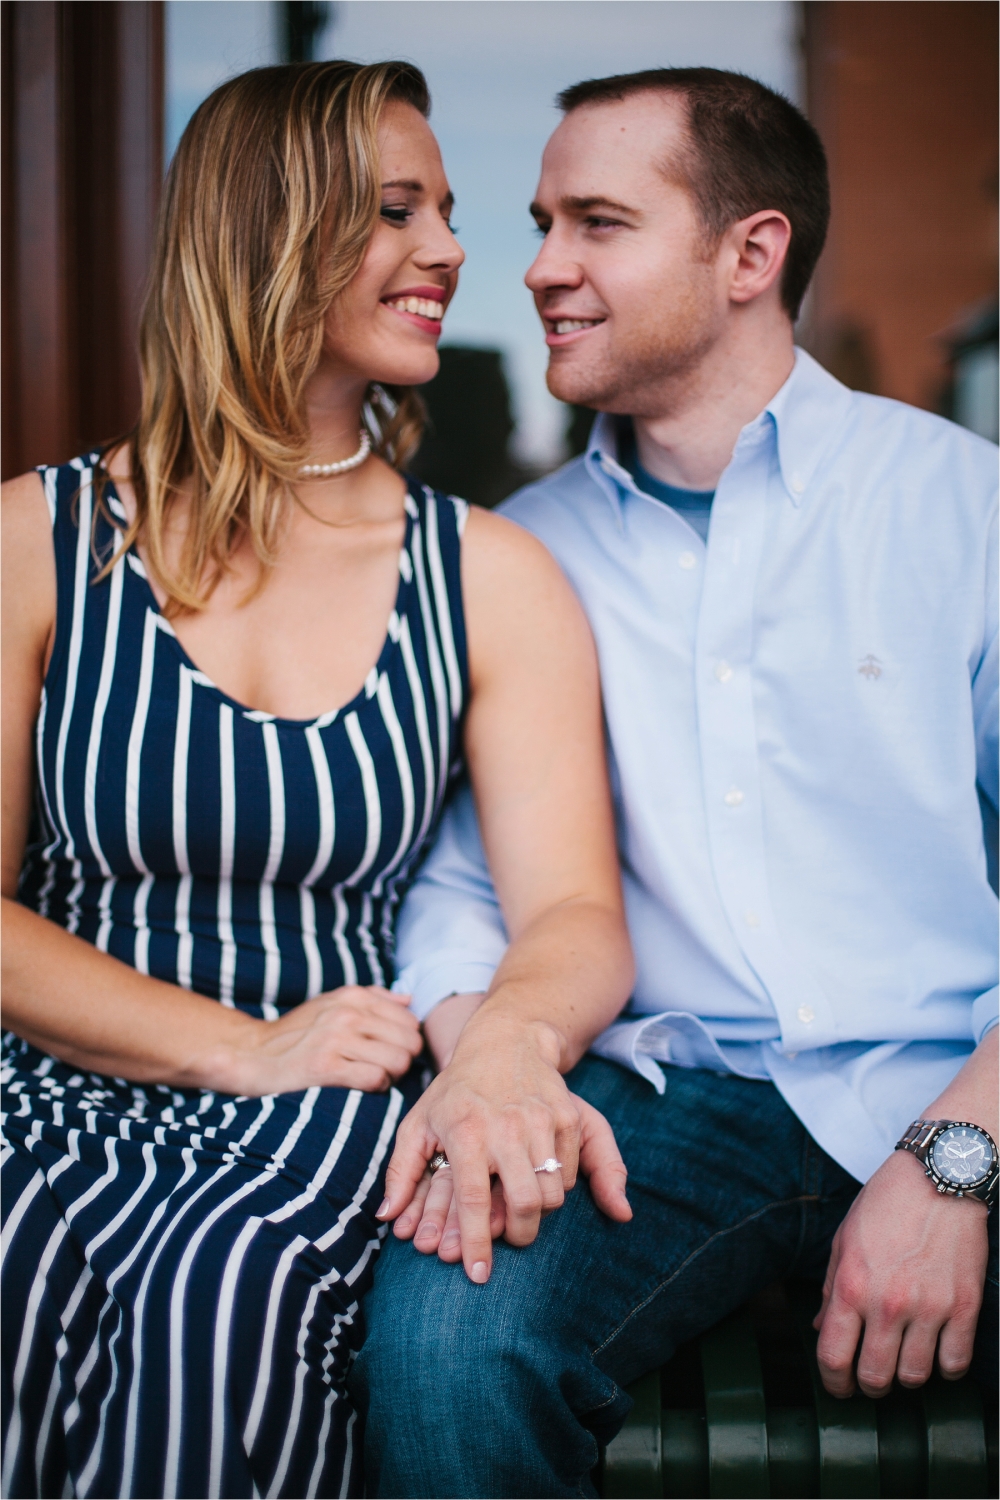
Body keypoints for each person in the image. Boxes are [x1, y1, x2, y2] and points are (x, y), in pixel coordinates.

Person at [352, 67, 999, 1498]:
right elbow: (460, 887)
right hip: (673, 1100)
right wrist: (495, 1055)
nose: (537, 269)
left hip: (963, 1071)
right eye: (538, 223)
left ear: (749, 255)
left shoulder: (966, 509)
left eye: (597, 223)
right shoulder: (519, 556)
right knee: (446, 1352)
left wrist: (959, 1157)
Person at [0, 61, 635, 1500]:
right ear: (266, 232)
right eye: (397, 210)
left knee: (222, 1290)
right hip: (50, 1066)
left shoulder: (487, 573)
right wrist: (229, 1043)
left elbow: (575, 918)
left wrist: (495, 1049)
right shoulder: (34, 540)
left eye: (448, 211)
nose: (452, 252)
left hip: (333, 1084)